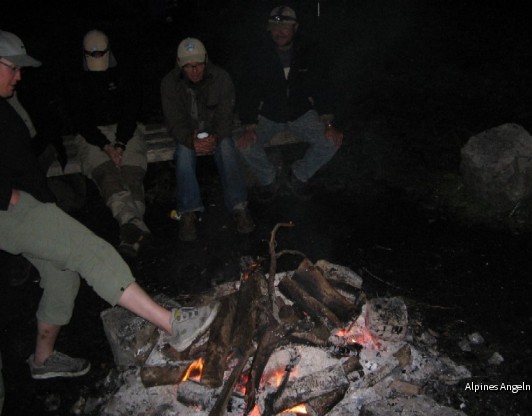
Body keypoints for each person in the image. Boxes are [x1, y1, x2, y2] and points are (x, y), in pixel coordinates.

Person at [0, 30, 219, 381]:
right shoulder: (72, 80)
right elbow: (77, 119)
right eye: (13, 68)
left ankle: (42, 359)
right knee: (91, 252)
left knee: (62, 275)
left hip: (31, 199)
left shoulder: (7, 101)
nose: (19, 75)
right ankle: (171, 324)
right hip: (11, 209)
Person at [236, 5, 344, 201]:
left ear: (295, 27)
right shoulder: (258, 53)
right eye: (275, 27)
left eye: (285, 27)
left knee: (331, 141)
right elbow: (247, 91)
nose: (280, 32)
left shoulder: (309, 51)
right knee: (245, 146)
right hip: (268, 115)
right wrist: (249, 125)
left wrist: (328, 123)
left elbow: (323, 86)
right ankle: (269, 180)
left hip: (301, 114)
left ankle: (297, 176)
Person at [65, 29, 151, 258]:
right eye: (91, 54)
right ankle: (133, 227)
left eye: (100, 53)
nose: (97, 58)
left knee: (131, 174)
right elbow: (81, 120)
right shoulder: (76, 79)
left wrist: (121, 142)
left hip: (126, 130)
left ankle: (130, 233)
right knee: (107, 175)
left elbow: (131, 109)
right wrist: (105, 145)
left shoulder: (123, 72)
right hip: (93, 136)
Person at [161, 37, 255, 241]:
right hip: (188, 134)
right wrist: (189, 139)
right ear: (179, 63)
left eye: (199, 65)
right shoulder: (169, 83)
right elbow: (174, 121)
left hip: (215, 132)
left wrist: (216, 137)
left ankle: (239, 207)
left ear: (206, 60)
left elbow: (225, 116)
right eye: (189, 66)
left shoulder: (221, 78)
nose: (195, 70)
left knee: (227, 148)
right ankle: (188, 212)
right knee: (184, 153)